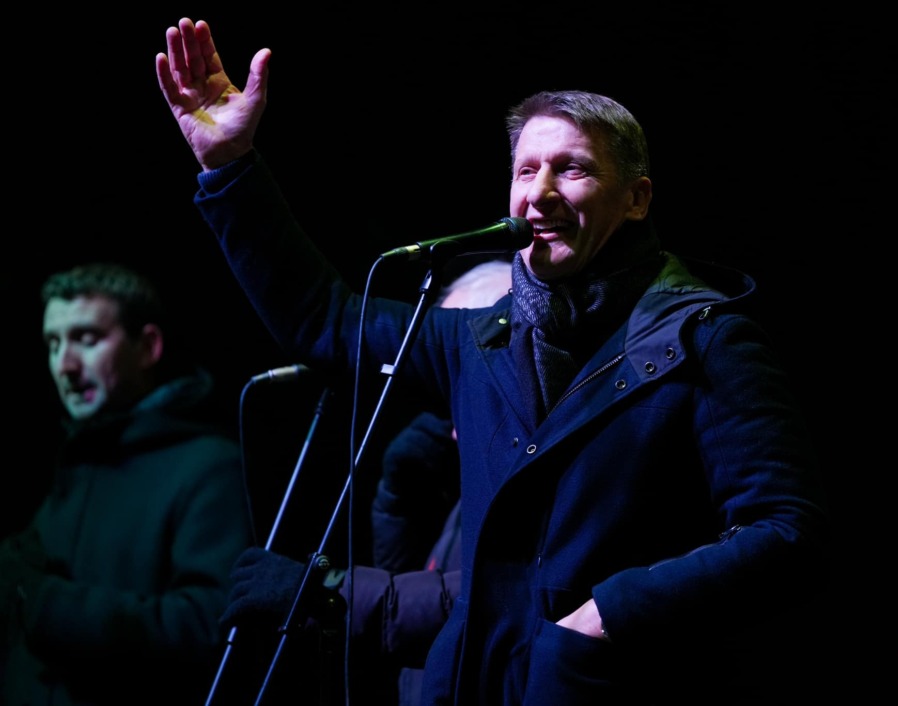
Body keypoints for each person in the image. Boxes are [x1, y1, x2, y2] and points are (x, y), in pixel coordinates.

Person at [156, 17, 830, 705]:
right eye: (526, 170)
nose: (539, 192)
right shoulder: (478, 340)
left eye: (572, 168)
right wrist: (230, 167)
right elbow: (323, 319)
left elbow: (789, 533)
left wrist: (609, 615)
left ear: (636, 199)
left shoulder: (706, 340)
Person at [219, 260, 512, 705]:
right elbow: (411, 588)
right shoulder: (462, 481)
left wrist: (330, 595)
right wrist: (399, 500)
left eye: (468, 371)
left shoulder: (539, 484)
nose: (452, 406)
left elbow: (485, 604)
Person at [0, 262, 257, 706]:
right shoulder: (76, 463)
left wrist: (47, 606)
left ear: (148, 346)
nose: (65, 366)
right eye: (53, 344)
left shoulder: (209, 467)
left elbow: (214, 627)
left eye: (87, 339)